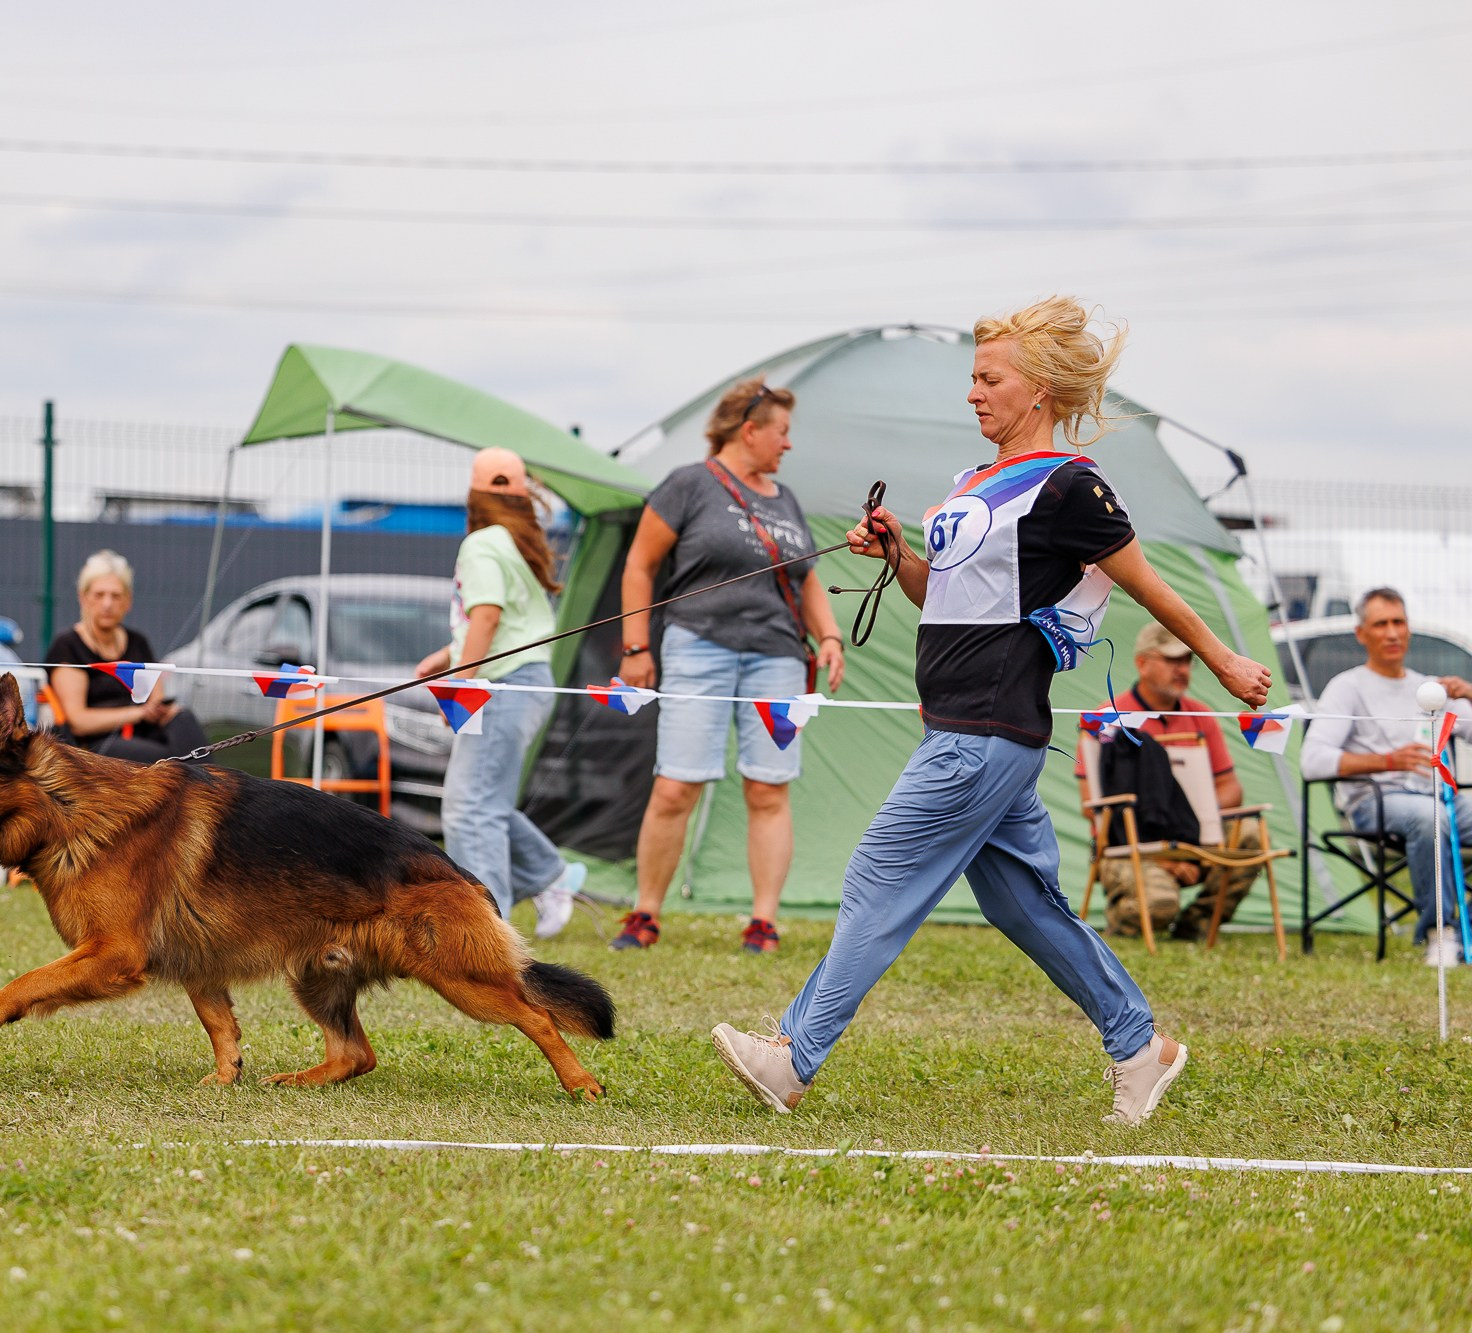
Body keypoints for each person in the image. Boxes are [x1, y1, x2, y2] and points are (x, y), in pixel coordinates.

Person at [709, 296, 1272, 1125]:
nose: (973, 392)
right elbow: (937, 593)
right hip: (971, 732)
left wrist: (1222, 659)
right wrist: (900, 547)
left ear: (1038, 389)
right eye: (972, 378)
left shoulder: (1069, 486)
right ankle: (1140, 1047)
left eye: (989, 378)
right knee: (1020, 903)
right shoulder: (976, 480)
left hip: (983, 730)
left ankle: (794, 1058)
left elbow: (1149, 584)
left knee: (877, 873)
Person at [611, 377, 845, 955]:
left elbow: (807, 577)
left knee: (769, 789)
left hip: (778, 659)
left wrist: (831, 635)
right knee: (675, 787)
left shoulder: (785, 500)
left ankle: (763, 922)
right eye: (782, 432)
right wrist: (636, 647)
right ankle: (645, 914)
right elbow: (639, 566)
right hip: (698, 647)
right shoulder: (689, 484)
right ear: (749, 430)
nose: (787, 445)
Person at [415, 447, 585, 938]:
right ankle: (551, 876)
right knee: (483, 801)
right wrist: (445, 656)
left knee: (469, 809)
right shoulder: (514, 540)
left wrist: (462, 682)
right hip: (525, 679)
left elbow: (486, 614)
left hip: (506, 682)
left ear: (475, 492)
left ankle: (488, 928)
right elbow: (505, 621)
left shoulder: (483, 542)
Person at [1299, 587, 1472, 966]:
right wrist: (1387, 760)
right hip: (1376, 802)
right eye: (1381, 624)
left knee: (1440, 813)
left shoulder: (1428, 687)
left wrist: (1471, 694)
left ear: (1409, 629)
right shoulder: (1347, 687)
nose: (1392, 633)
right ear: (1362, 634)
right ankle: (1439, 934)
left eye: (1399, 622)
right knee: (1433, 819)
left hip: (1440, 795)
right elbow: (1312, 760)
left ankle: (1467, 925)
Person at [1076, 620, 1264, 939]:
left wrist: (1189, 826)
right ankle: (1127, 916)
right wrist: (1163, 853)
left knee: (1249, 832)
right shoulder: (1107, 717)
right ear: (1142, 663)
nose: (1182, 670)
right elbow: (1090, 804)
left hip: (1195, 835)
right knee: (1159, 906)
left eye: (1186, 661)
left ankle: (1198, 925)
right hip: (1128, 843)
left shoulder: (1201, 715)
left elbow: (1231, 788)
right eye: (1171, 660)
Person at [45, 550, 207, 763]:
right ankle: (209, 787)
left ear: (127, 601)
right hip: (95, 745)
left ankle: (214, 787)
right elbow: (79, 721)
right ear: (83, 598)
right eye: (99, 595)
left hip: (144, 733)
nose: (107, 604)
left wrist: (161, 710)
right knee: (172, 761)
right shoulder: (68, 645)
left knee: (183, 718)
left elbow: (156, 697)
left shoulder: (138, 641)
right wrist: (138, 714)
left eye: (116, 595)